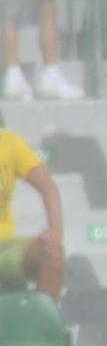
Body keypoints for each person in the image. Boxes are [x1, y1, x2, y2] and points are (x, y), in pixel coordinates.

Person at [0, 108, 62, 299]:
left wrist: (55, 231)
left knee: (53, 253)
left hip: (5, 246)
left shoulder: (9, 142)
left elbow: (48, 186)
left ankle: (43, 325)